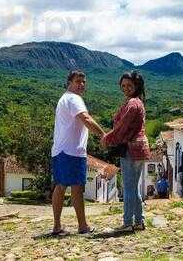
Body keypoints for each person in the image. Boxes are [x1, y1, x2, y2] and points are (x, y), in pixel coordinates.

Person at [51, 70, 105, 235]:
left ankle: (57, 226)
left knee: (60, 186)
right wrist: (104, 135)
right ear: (70, 82)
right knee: (77, 188)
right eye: (78, 81)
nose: (81, 84)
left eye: (83, 82)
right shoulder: (74, 99)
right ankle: (82, 226)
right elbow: (86, 119)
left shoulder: (63, 98)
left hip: (59, 150)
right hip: (72, 151)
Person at [100, 71, 150, 232]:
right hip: (140, 148)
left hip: (131, 149)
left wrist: (107, 138)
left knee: (129, 188)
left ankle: (128, 222)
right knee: (133, 187)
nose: (126, 88)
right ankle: (139, 221)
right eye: (123, 85)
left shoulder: (132, 104)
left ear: (136, 86)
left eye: (129, 85)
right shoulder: (137, 102)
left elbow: (122, 126)